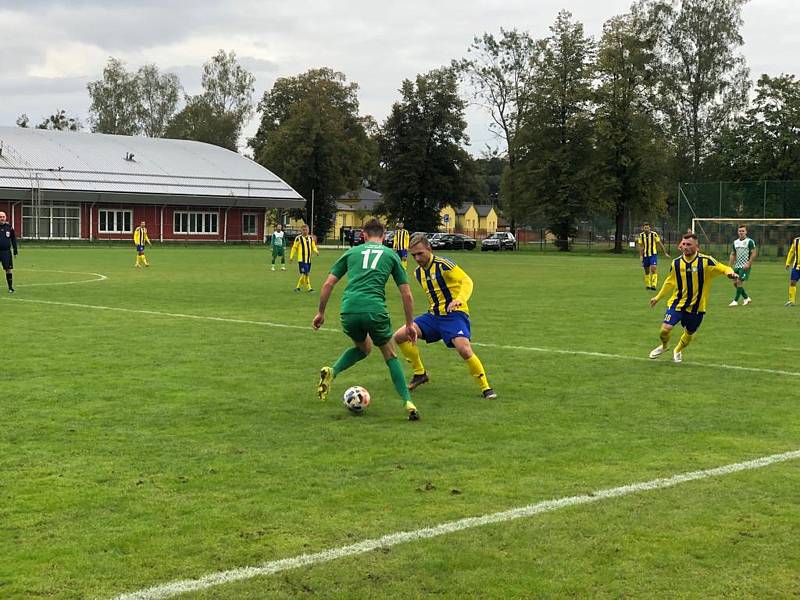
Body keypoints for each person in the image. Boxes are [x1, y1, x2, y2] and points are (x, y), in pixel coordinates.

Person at [313, 219, 420, 420]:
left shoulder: (351, 252)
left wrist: (321, 313)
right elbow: (406, 294)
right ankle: (408, 402)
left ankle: (332, 371)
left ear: (363, 234)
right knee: (390, 355)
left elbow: (328, 284)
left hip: (349, 310)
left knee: (364, 349)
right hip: (375, 310)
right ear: (385, 234)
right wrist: (409, 325)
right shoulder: (390, 255)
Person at [393, 233, 497, 399]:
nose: (417, 258)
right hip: (433, 317)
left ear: (429, 248)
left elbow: (467, 281)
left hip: (454, 315)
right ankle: (420, 373)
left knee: (463, 349)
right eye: (414, 255)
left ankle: (486, 388)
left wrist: (458, 300)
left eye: (420, 253)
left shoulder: (444, 264)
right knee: (399, 336)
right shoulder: (418, 273)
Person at [649, 233, 738, 363]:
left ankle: (677, 350)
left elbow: (723, 267)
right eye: (684, 244)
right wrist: (657, 297)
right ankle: (664, 346)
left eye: (689, 244)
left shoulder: (706, 261)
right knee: (665, 329)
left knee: (689, 333)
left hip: (697, 307)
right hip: (677, 303)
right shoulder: (676, 263)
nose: (685, 247)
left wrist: (730, 273)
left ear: (697, 246)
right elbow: (670, 282)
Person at [728, 225, 757, 306]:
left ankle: (735, 301)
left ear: (746, 232)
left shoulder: (750, 241)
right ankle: (746, 298)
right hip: (737, 266)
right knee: (734, 283)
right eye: (740, 231)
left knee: (739, 282)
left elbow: (754, 253)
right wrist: (729, 266)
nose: (741, 232)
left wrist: (749, 263)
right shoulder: (735, 242)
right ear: (738, 232)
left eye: (743, 231)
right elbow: (733, 254)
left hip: (745, 266)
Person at [637, 223, 670, 291]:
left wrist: (665, 253)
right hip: (645, 255)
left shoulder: (654, 234)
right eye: (645, 228)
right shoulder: (641, 235)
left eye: (647, 228)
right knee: (646, 270)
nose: (646, 229)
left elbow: (660, 243)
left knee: (653, 268)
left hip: (653, 254)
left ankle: (654, 285)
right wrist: (641, 255)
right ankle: (648, 285)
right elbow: (641, 246)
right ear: (643, 228)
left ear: (650, 228)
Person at [289, 224, 319, 292]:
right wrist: (291, 257)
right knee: (306, 273)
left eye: (306, 230)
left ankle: (297, 288)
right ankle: (309, 288)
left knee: (305, 273)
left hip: (308, 260)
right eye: (303, 230)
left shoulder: (310, 238)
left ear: (308, 230)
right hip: (301, 259)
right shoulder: (298, 238)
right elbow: (294, 248)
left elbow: (313, 246)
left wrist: (316, 251)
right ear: (301, 230)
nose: (305, 231)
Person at [0, 211, 18, 293]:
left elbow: (13, 239)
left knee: (8, 269)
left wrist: (15, 250)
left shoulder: (9, 227)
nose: (2, 218)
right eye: (0, 217)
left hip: (6, 252)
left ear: (6, 217)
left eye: (3, 216)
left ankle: (10, 287)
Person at [784, 235, 800, 306]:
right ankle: (791, 301)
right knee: (792, 282)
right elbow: (791, 252)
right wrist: (788, 262)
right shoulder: (796, 241)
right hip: (796, 267)